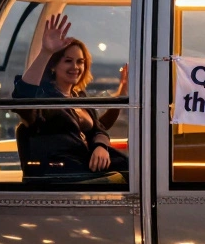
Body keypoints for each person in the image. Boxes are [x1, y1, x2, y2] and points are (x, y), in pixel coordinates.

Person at [13, 13, 128, 183]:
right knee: (126, 177)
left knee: (136, 168)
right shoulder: (44, 99)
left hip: (85, 169)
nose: (75, 67)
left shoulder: (78, 97)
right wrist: (45, 52)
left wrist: (100, 146)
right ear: (53, 65)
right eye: (68, 61)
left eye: (80, 62)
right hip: (64, 177)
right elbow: (23, 99)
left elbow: (99, 128)